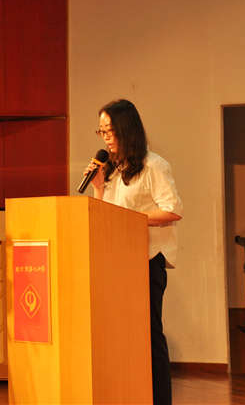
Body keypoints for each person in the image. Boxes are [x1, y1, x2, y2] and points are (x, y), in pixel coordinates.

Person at [85, 99, 182, 405]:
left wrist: (129, 219)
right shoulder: (111, 170)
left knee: (149, 336)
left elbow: (172, 210)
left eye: (109, 130)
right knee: (120, 335)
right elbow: (104, 217)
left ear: (126, 128)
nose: (105, 138)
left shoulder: (154, 165)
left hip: (147, 261)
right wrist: (98, 187)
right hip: (118, 262)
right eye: (101, 132)